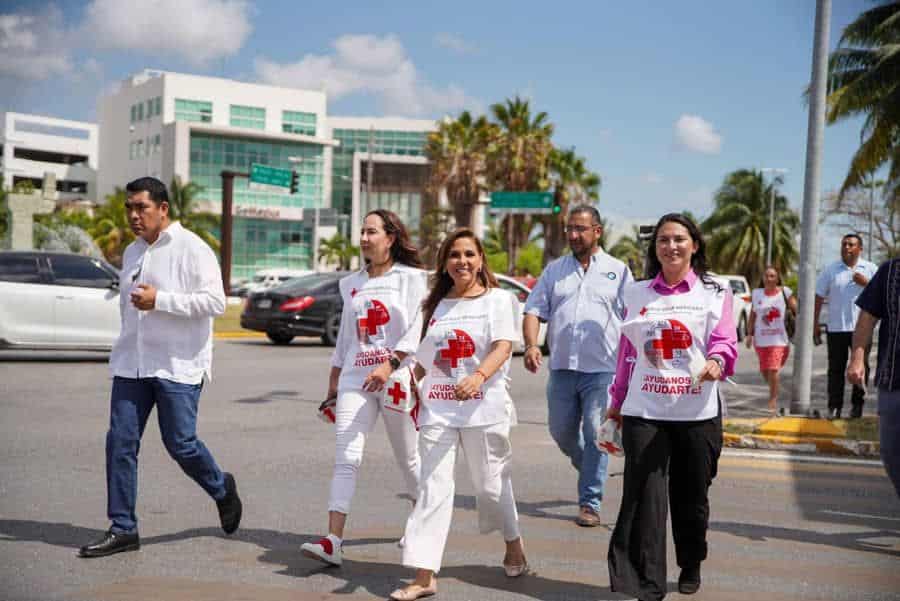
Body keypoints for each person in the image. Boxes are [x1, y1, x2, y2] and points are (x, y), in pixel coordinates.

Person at [79, 177, 240, 558]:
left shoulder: (192, 248)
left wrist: (161, 300)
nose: (134, 215)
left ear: (163, 209)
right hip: (131, 365)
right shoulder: (133, 252)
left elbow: (216, 302)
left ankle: (221, 487)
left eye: (142, 208)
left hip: (177, 365)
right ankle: (123, 527)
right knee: (119, 442)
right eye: (129, 208)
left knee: (180, 444)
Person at [390, 229, 526, 601]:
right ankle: (424, 574)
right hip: (438, 409)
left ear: (481, 260)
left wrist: (479, 376)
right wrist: (406, 380)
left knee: (491, 487)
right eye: (454, 255)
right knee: (432, 488)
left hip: (485, 408)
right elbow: (421, 358)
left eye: (469, 254)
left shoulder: (499, 300)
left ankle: (513, 543)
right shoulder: (432, 305)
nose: (462, 261)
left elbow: (503, 346)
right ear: (445, 263)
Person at [606, 213, 737, 600]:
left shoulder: (715, 291)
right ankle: (649, 585)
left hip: (697, 412)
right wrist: (616, 400)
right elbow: (627, 352)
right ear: (656, 248)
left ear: (694, 245)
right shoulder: (637, 293)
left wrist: (717, 361)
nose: (671, 246)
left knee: (691, 496)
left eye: (679, 238)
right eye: (663, 240)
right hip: (645, 408)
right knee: (645, 496)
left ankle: (691, 559)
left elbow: (725, 341)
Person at [300, 209, 426, 566]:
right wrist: (333, 385)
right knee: (346, 457)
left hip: (397, 377)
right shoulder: (350, 283)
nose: (365, 238)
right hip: (357, 378)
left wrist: (391, 365)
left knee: (409, 458)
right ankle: (333, 540)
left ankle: (422, 522)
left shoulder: (413, 279)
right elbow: (346, 340)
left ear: (391, 237)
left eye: (372, 232)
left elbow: (417, 329)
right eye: (362, 232)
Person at [522, 205, 631, 526]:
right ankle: (589, 468)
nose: (573, 234)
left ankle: (590, 502)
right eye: (569, 228)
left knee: (596, 432)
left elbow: (632, 319)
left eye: (580, 229)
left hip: (602, 370)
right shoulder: (554, 270)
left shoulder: (618, 270)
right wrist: (530, 345)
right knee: (560, 432)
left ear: (597, 231)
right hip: (562, 370)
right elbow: (532, 310)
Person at [847, 257, 900, 499]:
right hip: (893, 378)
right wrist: (857, 359)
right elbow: (867, 317)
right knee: (891, 452)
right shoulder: (890, 272)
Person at [814, 234, 878, 418]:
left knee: (860, 368)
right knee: (835, 370)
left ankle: (857, 407)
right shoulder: (831, 270)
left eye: (851, 245)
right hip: (836, 329)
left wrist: (865, 283)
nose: (846, 248)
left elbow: (881, 294)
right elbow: (819, 296)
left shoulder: (871, 268)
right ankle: (834, 407)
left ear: (860, 249)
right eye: (844, 244)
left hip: (862, 330)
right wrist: (815, 324)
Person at [746, 265, 797, 415]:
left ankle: (772, 401)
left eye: (772, 276)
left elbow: (797, 309)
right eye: (766, 276)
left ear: (777, 278)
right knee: (765, 370)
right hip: (761, 340)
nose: (769, 279)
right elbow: (753, 315)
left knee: (774, 369)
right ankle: (775, 390)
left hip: (779, 340)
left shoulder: (785, 293)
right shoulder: (757, 294)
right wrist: (750, 334)